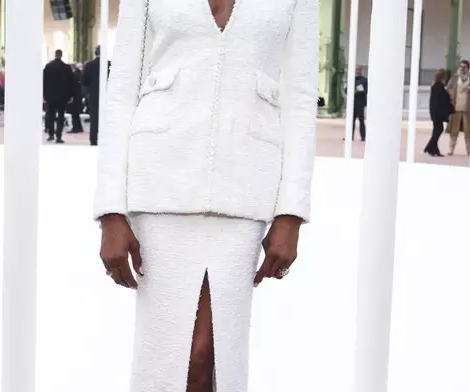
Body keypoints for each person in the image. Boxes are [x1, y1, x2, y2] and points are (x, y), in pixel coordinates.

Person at [93, 0, 318, 391]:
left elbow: (300, 100)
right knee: (169, 361)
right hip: (159, 186)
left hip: (244, 191)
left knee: (211, 355)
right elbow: (121, 90)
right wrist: (111, 210)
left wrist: (292, 212)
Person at [43, 49, 74, 143]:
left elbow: (44, 82)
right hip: (63, 96)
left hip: (50, 96)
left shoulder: (48, 67)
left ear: (55, 55)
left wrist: (44, 95)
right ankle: (59, 136)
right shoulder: (67, 68)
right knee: (61, 116)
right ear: (61, 55)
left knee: (50, 115)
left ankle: (51, 134)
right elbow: (70, 83)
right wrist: (71, 95)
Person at [82, 45, 110, 146]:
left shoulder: (89, 65)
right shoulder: (109, 64)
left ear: (95, 52)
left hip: (93, 95)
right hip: (106, 95)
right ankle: (105, 139)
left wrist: (86, 94)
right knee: (106, 118)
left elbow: (84, 81)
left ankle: (93, 140)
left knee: (94, 118)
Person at [446, 59, 470, 155]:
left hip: (467, 109)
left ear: (468, 68)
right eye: (461, 66)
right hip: (455, 108)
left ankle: (469, 150)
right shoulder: (454, 78)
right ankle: (451, 149)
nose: (462, 68)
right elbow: (448, 89)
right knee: (454, 130)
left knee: (468, 131)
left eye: (464, 67)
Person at [425, 68, 452, 157]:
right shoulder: (438, 86)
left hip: (435, 112)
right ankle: (429, 147)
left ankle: (434, 150)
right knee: (438, 130)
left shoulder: (436, 85)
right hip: (438, 113)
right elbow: (442, 100)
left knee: (436, 130)